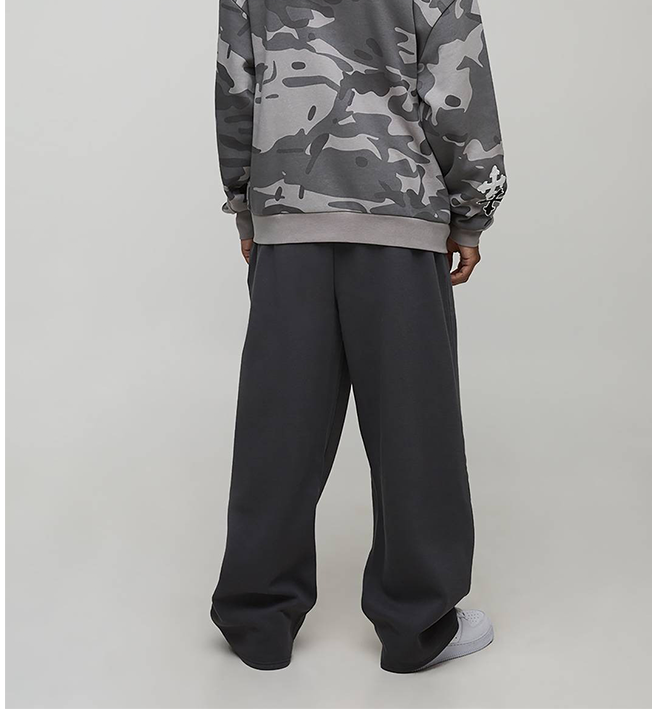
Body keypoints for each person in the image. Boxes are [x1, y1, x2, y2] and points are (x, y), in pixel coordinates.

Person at [210, 0, 507, 673]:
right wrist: (471, 212)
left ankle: (258, 620)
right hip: (400, 216)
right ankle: (418, 624)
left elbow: (237, 82)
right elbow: (456, 87)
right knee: (414, 427)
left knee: (279, 426)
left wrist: (246, 203)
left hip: (289, 213)